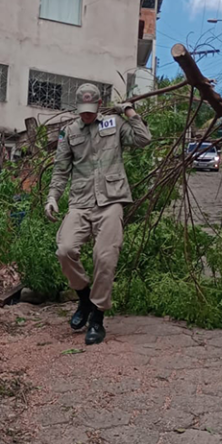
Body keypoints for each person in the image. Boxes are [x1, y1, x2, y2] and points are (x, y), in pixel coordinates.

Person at [45, 83, 152, 345]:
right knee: (65, 249)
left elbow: (144, 139)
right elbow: (60, 171)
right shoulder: (69, 132)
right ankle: (83, 298)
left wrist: (129, 111)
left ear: (99, 104)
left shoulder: (114, 124)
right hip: (80, 202)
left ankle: (97, 318)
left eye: (91, 110)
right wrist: (52, 198)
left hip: (111, 200)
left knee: (105, 258)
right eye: (83, 111)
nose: (87, 115)